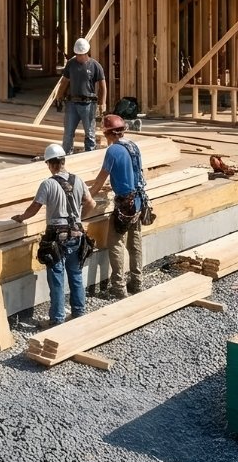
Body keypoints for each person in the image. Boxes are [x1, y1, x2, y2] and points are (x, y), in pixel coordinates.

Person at [12, 143, 96, 326]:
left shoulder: (48, 184)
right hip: (76, 234)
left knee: (57, 277)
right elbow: (91, 203)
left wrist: (21, 217)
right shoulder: (78, 180)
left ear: (49, 163)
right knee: (75, 273)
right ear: (64, 161)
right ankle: (79, 311)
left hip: (56, 237)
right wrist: (79, 219)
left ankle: (57, 318)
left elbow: (35, 207)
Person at [89, 113, 145, 298]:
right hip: (138, 202)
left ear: (109, 133)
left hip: (124, 206)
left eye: (105, 134)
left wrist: (87, 197)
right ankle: (137, 282)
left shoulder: (113, 151)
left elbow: (98, 181)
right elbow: (133, 173)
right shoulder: (133, 146)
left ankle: (118, 287)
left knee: (115, 243)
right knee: (135, 244)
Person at [53, 37, 107, 154]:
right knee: (68, 133)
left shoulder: (95, 66)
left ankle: (89, 155)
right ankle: (66, 155)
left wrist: (102, 103)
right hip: (72, 103)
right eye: (77, 54)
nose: (78, 57)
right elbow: (65, 81)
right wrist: (59, 96)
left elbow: (103, 86)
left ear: (86, 53)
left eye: (80, 55)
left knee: (90, 133)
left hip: (88, 104)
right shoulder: (71, 64)